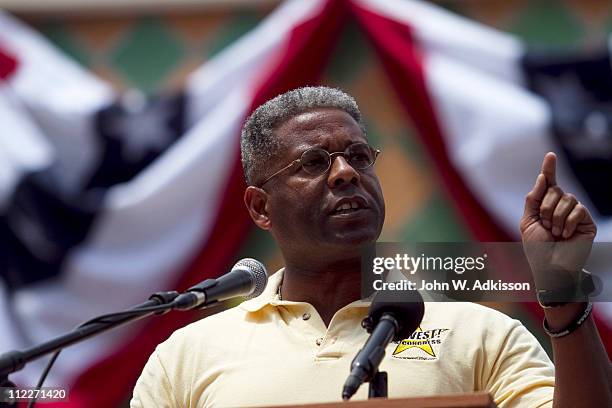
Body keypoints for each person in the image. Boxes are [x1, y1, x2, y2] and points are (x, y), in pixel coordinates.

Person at [130, 87, 611, 407]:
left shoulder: (480, 334)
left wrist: (562, 290)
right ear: (260, 208)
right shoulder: (187, 354)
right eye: (315, 162)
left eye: (359, 156)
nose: (345, 173)